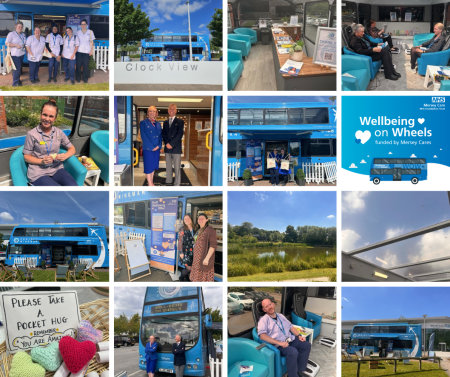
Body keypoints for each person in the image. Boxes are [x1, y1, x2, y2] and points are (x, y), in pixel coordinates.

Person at [23, 99, 78, 186]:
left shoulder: (59, 132)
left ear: (55, 118)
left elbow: (72, 149)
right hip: (39, 172)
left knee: (73, 186)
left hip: (56, 169)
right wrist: (42, 161)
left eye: (51, 116)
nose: (47, 119)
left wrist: (65, 156)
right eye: (45, 115)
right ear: (40, 114)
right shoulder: (32, 134)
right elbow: (27, 157)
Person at [258, 299, 312, 377]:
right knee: (293, 352)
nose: (269, 307)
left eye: (270, 304)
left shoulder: (281, 316)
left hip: (290, 340)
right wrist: (279, 343)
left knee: (306, 345)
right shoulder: (263, 320)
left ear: (273, 304)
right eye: (266, 306)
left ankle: (299, 371)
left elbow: (291, 327)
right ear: (264, 309)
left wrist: (299, 336)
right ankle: (292, 375)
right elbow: (262, 336)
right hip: (278, 345)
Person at [190, 214, 217, 282]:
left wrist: (207, 259)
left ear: (206, 220)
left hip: (204, 257)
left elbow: (213, 245)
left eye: (202, 218)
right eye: (199, 219)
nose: (201, 220)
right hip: (197, 257)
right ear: (197, 221)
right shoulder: (199, 230)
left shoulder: (210, 229)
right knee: (197, 276)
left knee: (203, 276)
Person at [162, 104, 184, 186]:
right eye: (170, 109)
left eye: (173, 109)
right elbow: (163, 134)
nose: (171, 110)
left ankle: (177, 183)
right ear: (168, 110)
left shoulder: (180, 121)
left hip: (176, 147)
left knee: (177, 167)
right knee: (168, 166)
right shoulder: (165, 122)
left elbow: (180, 134)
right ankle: (168, 180)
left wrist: (171, 144)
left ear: (176, 111)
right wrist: (167, 143)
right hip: (168, 147)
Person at [140, 106, 162, 186]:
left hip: (157, 149)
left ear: (156, 113)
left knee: (153, 166)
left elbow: (160, 136)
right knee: (148, 166)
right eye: (150, 111)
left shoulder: (158, 124)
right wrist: (151, 147)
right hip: (148, 148)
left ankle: (151, 182)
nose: (152, 113)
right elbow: (143, 136)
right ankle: (150, 184)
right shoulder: (143, 123)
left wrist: (159, 146)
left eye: (154, 111)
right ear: (148, 113)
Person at [5, 21, 27, 87]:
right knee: (17, 68)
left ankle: (17, 80)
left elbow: (24, 43)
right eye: (19, 26)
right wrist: (16, 45)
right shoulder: (11, 34)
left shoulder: (23, 35)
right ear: (16, 26)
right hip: (15, 54)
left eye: (21, 27)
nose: (20, 28)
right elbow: (7, 43)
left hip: (21, 53)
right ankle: (15, 83)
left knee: (19, 68)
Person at [177, 214, 198, 282]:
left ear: (191, 219)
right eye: (185, 219)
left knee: (192, 267)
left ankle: (187, 278)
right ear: (184, 221)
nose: (187, 220)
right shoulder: (182, 229)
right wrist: (181, 252)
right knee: (188, 268)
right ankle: (181, 278)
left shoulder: (195, 228)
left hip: (194, 251)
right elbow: (180, 242)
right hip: (185, 251)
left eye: (188, 218)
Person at [76, 19, 95, 83]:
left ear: (86, 25)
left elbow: (92, 42)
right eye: (82, 24)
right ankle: (78, 78)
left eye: (84, 24)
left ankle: (85, 78)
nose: (83, 25)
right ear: (80, 25)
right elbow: (76, 42)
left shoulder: (90, 32)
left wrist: (91, 50)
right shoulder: (78, 32)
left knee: (85, 65)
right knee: (78, 65)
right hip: (79, 51)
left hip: (87, 51)